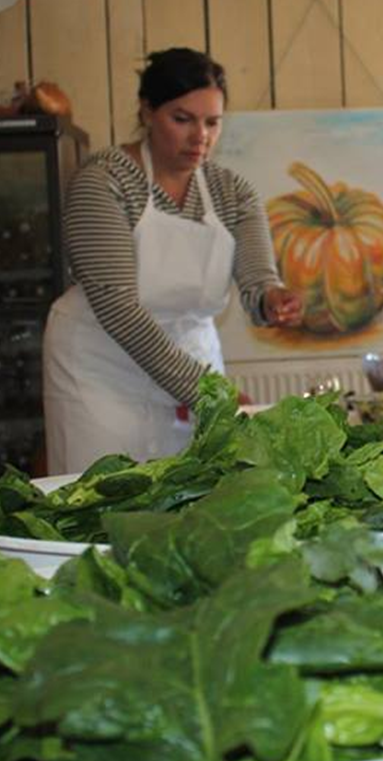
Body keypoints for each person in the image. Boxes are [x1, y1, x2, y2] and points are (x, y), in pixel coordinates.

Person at [43, 48, 302, 474]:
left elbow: (258, 282)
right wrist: (208, 393)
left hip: (191, 357)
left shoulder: (231, 191)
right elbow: (119, 310)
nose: (200, 136)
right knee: (100, 499)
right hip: (100, 367)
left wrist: (274, 300)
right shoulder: (104, 180)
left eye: (212, 122)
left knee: (191, 495)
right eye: (182, 119)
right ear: (147, 112)